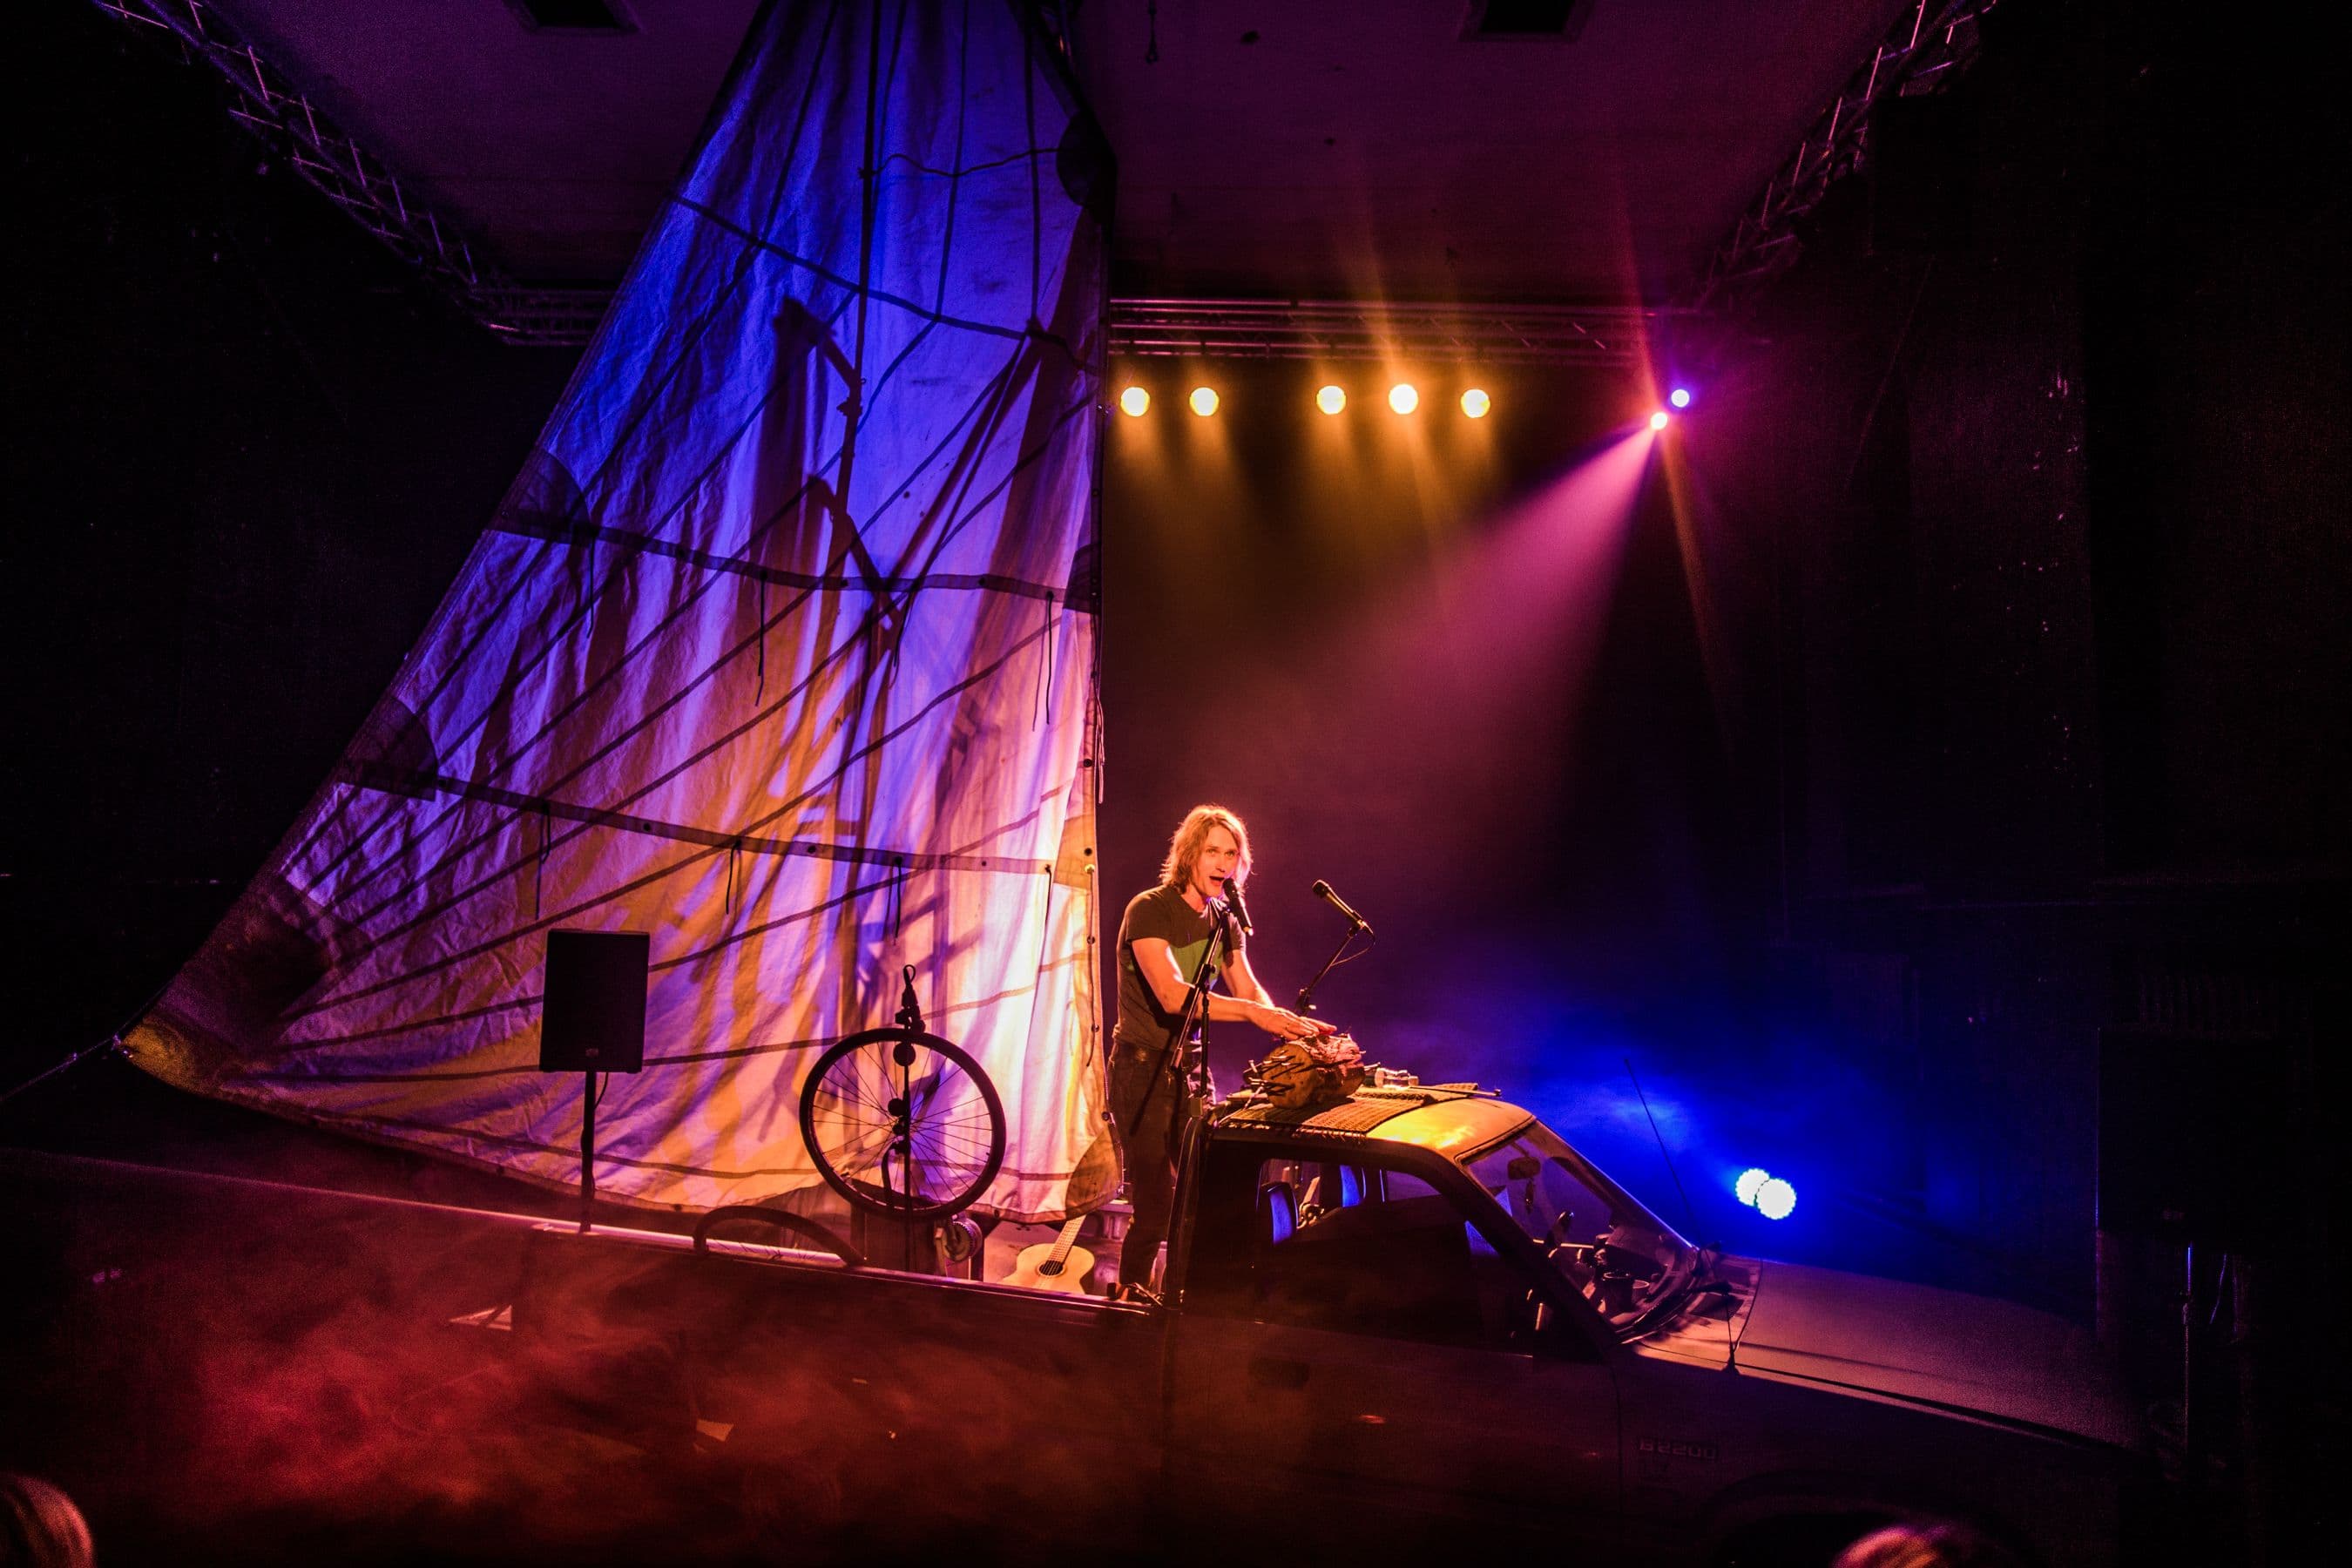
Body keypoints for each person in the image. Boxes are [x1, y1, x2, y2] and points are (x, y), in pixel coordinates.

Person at [1109, 804, 1332, 1296]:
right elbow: (1172, 995)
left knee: (1204, 1193)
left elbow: (1248, 990)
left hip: (1190, 1069)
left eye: (1231, 854)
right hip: (1141, 1070)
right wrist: (1255, 1014)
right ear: (1189, 854)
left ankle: (1184, 1299)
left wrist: (1289, 1027)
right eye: (1213, 851)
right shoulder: (1149, 908)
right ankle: (1130, 1300)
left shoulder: (1224, 920)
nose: (1223, 863)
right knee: (1155, 1206)